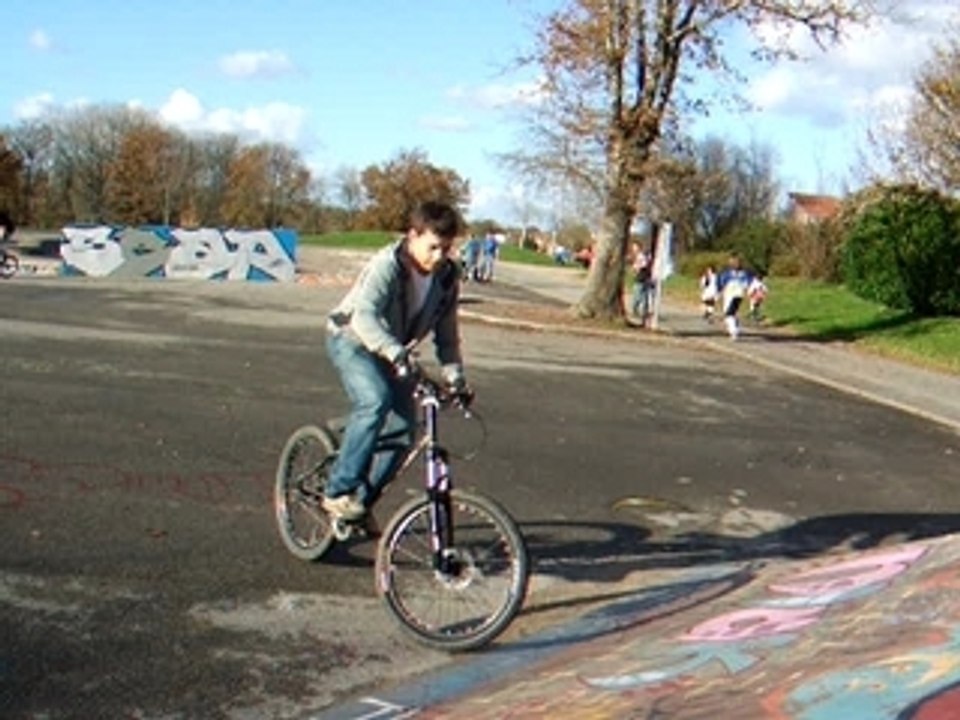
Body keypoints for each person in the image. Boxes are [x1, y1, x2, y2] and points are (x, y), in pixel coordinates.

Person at [322, 200, 472, 524]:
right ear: (412, 235)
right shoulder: (387, 265)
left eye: (445, 249)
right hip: (352, 340)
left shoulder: (447, 278)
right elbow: (364, 317)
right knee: (375, 401)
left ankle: (359, 505)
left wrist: (456, 378)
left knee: (404, 430)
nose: (438, 257)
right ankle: (338, 491)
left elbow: (447, 336)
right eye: (432, 247)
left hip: (394, 352)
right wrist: (395, 353)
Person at [716, 253, 754, 340]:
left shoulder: (744, 274)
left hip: (737, 294)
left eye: (736, 262)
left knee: (729, 314)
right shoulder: (727, 274)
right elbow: (721, 283)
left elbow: (750, 283)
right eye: (732, 262)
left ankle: (734, 332)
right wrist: (718, 293)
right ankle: (734, 328)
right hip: (728, 295)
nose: (734, 264)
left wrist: (749, 291)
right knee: (728, 314)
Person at [629, 242, 653, 324]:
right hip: (640, 278)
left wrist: (637, 267)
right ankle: (636, 310)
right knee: (638, 295)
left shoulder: (641, 256)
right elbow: (635, 267)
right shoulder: (638, 256)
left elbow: (643, 265)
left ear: (639, 247)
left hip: (643, 278)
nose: (634, 249)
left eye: (635, 247)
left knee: (642, 295)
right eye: (633, 248)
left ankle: (643, 311)